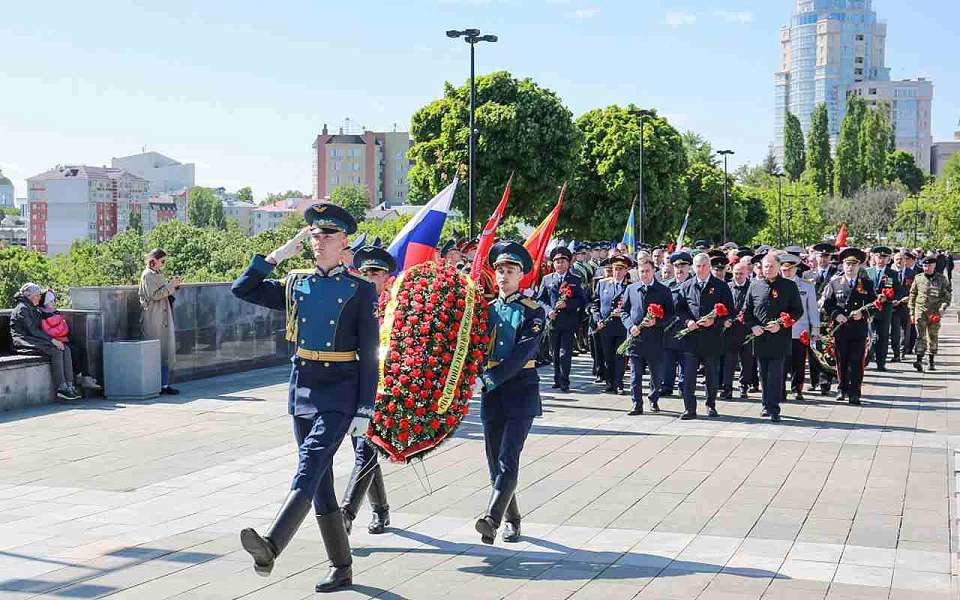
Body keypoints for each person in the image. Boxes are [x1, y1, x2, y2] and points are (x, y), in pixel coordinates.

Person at [231, 202, 377, 593]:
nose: (319, 240)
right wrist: (277, 256)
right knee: (321, 482)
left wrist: (365, 409)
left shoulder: (359, 290)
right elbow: (242, 288)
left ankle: (273, 545)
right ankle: (342, 568)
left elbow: (369, 353)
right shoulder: (296, 282)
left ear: (344, 241)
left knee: (312, 461)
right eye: (314, 233)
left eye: (328, 234)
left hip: (340, 387)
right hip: (303, 386)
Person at [476, 241, 545, 544]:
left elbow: (522, 352)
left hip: (520, 390)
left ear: (522, 275)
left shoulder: (533, 311)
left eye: (510, 270)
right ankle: (512, 519)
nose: (504, 275)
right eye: (500, 269)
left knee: (508, 456)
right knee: (493, 458)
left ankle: (491, 518)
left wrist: (490, 378)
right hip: (492, 394)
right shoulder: (486, 309)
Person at [338, 246, 395, 537]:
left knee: (365, 450)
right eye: (366, 272)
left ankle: (346, 514)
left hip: (383, 389)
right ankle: (381, 510)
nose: (371, 277)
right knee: (364, 450)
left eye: (377, 273)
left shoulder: (398, 307)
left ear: (388, 277)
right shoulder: (350, 302)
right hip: (353, 385)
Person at [743, 252, 804, 422]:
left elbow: (797, 311)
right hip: (760, 337)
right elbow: (746, 311)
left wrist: (782, 325)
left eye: (772, 266)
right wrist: (753, 326)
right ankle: (765, 405)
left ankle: (774, 408)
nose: (768, 269)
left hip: (780, 338)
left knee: (776, 374)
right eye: (766, 266)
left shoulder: (788, 286)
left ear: (778, 267)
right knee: (763, 373)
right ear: (761, 268)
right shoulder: (754, 286)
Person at [675, 253, 735, 420]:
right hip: (691, 338)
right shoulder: (686, 285)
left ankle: (711, 404)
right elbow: (679, 309)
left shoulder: (721, 286)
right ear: (693, 268)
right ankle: (689, 408)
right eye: (697, 266)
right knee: (688, 376)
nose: (700, 269)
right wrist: (687, 321)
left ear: (709, 267)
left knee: (711, 374)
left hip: (712, 337)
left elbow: (730, 311)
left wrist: (715, 321)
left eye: (703, 266)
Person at [10, 283, 81, 402]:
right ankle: (61, 388)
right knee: (56, 351)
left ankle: (70, 385)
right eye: (37, 295)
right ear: (30, 296)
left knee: (65, 348)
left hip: (34, 339)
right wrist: (52, 340)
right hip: (24, 341)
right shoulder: (22, 308)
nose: (39, 298)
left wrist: (55, 340)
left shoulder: (32, 307)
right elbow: (33, 331)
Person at [620, 258, 674, 414]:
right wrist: (630, 326)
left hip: (655, 339)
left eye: (647, 271)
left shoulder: (663, 290)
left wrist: (656, 322)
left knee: (656, 374)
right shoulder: (631, 288)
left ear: (653, 271)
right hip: (635, 338)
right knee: (635, 375)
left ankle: (653, 398)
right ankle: (637, 403)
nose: (644, 274)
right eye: (641, 271)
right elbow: (624, 311)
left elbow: (670, 314)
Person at [822, 248, 875, 405]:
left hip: (858, 329)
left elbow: (875, 304)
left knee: (857, 361)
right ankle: (842, 389)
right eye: (847, 264)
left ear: (859, 266)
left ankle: (855, 392)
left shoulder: (866, 283)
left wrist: (863, 314)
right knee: (841, 360)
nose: (850, 267)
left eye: (853, 264)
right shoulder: (835, 283)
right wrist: (836, 315)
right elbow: (827, 305)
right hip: (841, 329)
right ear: (843, 265)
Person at [536, 246, 587, 392]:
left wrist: (568, 304)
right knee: (555, 352)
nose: (560, 264)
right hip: (553, 321)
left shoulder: (575, 279)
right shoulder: (547, 279)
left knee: (565, 352)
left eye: (563, 261)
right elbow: (540, 300)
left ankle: (565, 380)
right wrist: (548, 311)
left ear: (568, 263)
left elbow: (582, 300)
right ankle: (557, 378)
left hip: (569, 321)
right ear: (553, 264)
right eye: (557, 261)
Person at [139, 249, 182, 395]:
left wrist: (173, 286)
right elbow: (154, 295)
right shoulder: (147, 275)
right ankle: (157, 384)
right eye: (162, 261)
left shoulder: (157, 274)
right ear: (154, 260)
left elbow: (164, 291)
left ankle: (164, 384)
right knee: (156, 352)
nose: (163, 265)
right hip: (154, 317)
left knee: (165, 352)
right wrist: (171, 285)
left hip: (163, 315)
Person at [590, 254, 633, 394]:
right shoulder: (602, 284)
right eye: (615, 268)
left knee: (619, 355)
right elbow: (595, 304)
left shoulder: (630, 287)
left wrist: (624, 314)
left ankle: (619, 383)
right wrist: (597, 319)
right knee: (607, 355)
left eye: (621, 269)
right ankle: (610, 383)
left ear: (626, 270)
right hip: (606, 326)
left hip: (622, 327)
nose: (618, 272)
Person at [779, 254, 818, 402]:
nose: (787, 272)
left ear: (796, 269)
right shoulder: (776, 285)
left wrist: (815, 329)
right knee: (781, 362)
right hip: (781, 330)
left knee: (799, 362)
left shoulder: (806, 285)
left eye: (790, 270)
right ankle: (780, 389)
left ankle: (797, 389)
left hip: (800, 330)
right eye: (784, 270)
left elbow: (812, 309)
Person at [909, 255, 952, 372]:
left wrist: (943, 307)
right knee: (920, 336)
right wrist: (911, 312)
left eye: (929, 265)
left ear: (934, 266)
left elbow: (947, 295)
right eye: (924, 265)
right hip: (921, 311)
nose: (926, 268)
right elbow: (912, 295)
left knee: (932, 336)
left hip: (934, 312)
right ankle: (918, 359)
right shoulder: (918, 278)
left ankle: (931, 360)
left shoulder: (942, 279)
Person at [659, 252, 692, 398]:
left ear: (689, 267)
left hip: (688, 330)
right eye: (677, 266)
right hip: (669, 330)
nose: (680, 269)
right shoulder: (666, 285)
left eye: (683, 265)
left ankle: (684, 386)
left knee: (686, 360)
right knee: (668, 360)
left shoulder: (694, 284)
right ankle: (667, 386)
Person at [864, 246, 900, 371]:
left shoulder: (893, 274)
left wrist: (888, 298)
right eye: (879, 257)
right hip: (870, 308)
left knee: (883, 336)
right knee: (869, 336)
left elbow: (898, 292)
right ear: (873, 257)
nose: (881, 260)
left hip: (885, 309)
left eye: (884, 257)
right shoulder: (867, 272)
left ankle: (881, 363)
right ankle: (866, 359)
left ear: (889, 259)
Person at [721, 260, 754, 400]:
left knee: (746, 361)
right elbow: (722, 306)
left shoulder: (753, 287)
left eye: (741, 273)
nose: (738, 276)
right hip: (730, 330)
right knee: (729, 360)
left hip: (746, 330)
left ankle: (744, 386)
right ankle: (727, 387)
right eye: (736, 273)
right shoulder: (727, 287)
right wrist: (726, 319)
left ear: (747, 273)